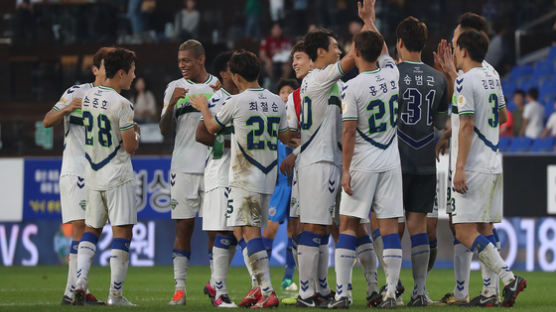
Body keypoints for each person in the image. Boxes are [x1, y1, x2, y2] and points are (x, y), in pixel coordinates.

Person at [191, 49, 293, 308]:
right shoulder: (276, 100)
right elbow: (284, 137)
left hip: (244, 174)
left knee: (249, 232)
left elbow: (212, 129)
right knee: (251, 230)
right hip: (269, 174)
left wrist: (204, 107)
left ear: (236, 76)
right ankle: (259, 290)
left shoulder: (236, 102)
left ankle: (267, 290)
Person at [294, 0, 375, 307]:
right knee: (313, 227)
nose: (339, 51)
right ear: (320, 54)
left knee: (328, 227)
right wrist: (368, 22)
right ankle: (305, 293)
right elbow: (356, 55)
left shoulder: (329, 83)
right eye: (334, 47)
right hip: (318, 163)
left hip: (329, 162)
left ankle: (322, 290)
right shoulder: (317, 78)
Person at [330, 9, 403, 309]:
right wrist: (370, 19)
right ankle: (389, 294)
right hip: (390, 160)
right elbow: (382, 48)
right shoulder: (392, 73)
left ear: (355, 52)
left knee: (347, 224)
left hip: (362, 162)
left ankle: (343, 293)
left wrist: (346, 170)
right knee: (388, 229)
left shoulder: (352, 87)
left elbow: (348, 133)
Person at [434, 12, 508, 306]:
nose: (451, 46)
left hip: (471, 160)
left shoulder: (470, 74)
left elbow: (468, 118)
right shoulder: (492, 72)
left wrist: (452, 75)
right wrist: (448, 133)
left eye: (454, 40)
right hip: (489, 157)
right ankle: (484, 290)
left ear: (466, 42)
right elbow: (498, 115)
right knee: (482, 224)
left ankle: (486, 286)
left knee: (464, 225)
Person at [450, 29, 526, 307]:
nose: (455, 53)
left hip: (475, 166)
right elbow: (504, 116)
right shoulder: (493, 76)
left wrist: (459, 167)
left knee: (463, 231)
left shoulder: (465, 80)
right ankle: (490, 293)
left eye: (457, 48)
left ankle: (509, 279)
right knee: (483, 228)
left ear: (464, 51)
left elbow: (467, 124)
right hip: (494, 161)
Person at [42, 47, 112, 306]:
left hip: (100, 172)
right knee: (81, 230)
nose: (109, 73)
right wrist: (67, 108)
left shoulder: (112, 98)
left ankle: (76, 289)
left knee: (90, 230)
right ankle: (72, 292)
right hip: (76, 171)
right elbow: (47, 121)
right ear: (95, 70)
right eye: (106, 68)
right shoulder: (75, 93)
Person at [73, 47, 140, 306]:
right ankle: (115, 295)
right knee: (122, 232)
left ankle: (80, 283)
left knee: (92, 229)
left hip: (93, 173)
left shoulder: (88, 96)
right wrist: (136, 133)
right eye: (132, 72)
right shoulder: (122, 103)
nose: (134, 76)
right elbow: (130, 146)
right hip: (117, 174)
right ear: (121, 73)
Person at [159, 39, 220, 306]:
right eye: (179, 60)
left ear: (200, 60)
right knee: (183, 227)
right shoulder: (174, 88)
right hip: (182, 168)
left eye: (186, 60)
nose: (181, 65)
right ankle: (180, 289)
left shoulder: (218, 86)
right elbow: (163, 130)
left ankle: (217, 285)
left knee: (214, 230)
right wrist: (170, 106)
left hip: (212, 166)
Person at [395, 16, 450, 306]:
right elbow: (441, 123)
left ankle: (391, 288)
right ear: (423, 43)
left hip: (396, 160)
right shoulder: (438, 77)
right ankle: (419, 292)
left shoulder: (391, 74)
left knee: (392, 225)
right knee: (418, 227)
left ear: (400, 43)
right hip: (426, 160)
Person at [194, 51, 240, 308]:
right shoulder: (217, 98)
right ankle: (220, 292)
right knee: (224, 229)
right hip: (221, 171)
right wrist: (233, 142)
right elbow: (201, 134)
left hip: (242, 173)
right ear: (224, 73)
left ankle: (215, 283)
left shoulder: (246, 97)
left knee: (236, 231)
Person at [261, 78, 298, 292]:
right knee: (269, 231)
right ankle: (263, 279)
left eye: (289, 91)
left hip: (296, 183)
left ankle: (287, 277)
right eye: (282, 91)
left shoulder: (299, 119)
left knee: (295, 231)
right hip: (279, 185)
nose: (285, 95)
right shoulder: (273, 118)